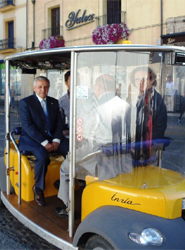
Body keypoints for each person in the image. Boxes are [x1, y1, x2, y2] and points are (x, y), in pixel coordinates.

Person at [56, 74, 132, 217]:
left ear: (98, 87)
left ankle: (68, 207)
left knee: (66, 168)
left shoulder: (98, 107)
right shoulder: (125, 104)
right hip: (121, 153)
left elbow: (87, 132)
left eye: (95, 87)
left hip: (97, 150)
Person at [19, 76, 69, 207]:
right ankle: (38, 189)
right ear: (34, 88)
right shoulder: (26, 103)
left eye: (46, 87)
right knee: (42, 156)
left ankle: (71, 181)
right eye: (40, 87)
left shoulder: (54, 102)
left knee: (71, 150)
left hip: (53, 138)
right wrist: (44, 142)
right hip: (33, 139)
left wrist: (57, 140)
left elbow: (60, 123)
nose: (43, 89)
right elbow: (28, 127)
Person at [131, 67, 167, 166]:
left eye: (144, 79)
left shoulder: (157, 100)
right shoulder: (132, 97)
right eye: (137, 79)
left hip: (149, 145)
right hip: (132, 143)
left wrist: (147, 146)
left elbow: (160, 127)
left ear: (152, 80)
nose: (140, 82)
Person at [58, 71, 70, 135]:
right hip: (71, 134)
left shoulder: (87, 98)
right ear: (66, 83)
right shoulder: (62, 101)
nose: (76, 83)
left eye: (77, 80)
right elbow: (60, 121)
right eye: (72, 81)